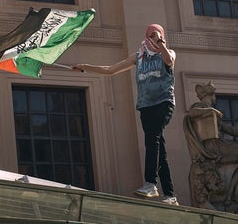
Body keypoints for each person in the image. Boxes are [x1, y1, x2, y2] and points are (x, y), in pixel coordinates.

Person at [73, 24, 178, 205]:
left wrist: (160, 44)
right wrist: (85, 66)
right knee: (158, 147)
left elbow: (169, 61)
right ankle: (170, 195)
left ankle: (150, 183)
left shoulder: (168, 52)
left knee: (152, 140)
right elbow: (111, 69)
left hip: (163, 103)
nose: (155, 37)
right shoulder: (138, 57)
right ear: (146, 37)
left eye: (158, 34)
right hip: (146, 106)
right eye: (152, 35)